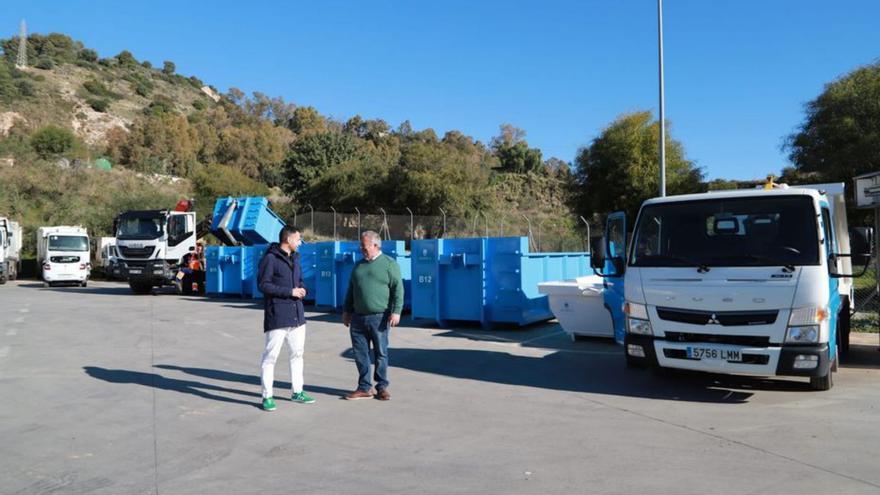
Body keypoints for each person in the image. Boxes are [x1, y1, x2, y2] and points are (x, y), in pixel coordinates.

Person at [341, 230, 404, 401]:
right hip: (358, 318)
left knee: (380, 353)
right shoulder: (358, 266)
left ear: (376, 245)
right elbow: (351, 290)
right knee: (360, 353)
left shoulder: (389, 264)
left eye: (364, 245)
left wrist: (396, 311)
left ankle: (382, 387)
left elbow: (398, 289)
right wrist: (347, 311)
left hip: (380, 317)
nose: (361, 248)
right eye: (361, 245)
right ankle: (364, 388)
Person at [257, 225, 314, 411]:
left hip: (297, 315)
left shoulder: (296, 258)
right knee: (270, 356)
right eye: (298, 239)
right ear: (288, 240)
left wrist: (302, 288)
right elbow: (263, 285)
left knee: (297, 355)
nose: (300, 243)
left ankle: (297, 392)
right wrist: (290, 291)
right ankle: (267, 396)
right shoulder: (270, 258)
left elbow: (299, 280)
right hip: (278, 315)